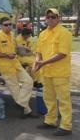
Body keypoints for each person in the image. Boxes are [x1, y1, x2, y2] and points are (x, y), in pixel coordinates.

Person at [0, 17, 37, 118]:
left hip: (15, 64)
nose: (8, 26)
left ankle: (20, 104)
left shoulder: (11, 35)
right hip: (5, 67)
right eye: (6, 25)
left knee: (29, 81)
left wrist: (23, 48)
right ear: (1, 26)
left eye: (10, 24)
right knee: (16, 90)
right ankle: (26, 111)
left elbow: (14, 48)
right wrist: (6, 56)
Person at [34, 8, 73, 136]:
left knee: (63, 100)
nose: (50, 19)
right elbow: (38, 51)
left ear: (59, 18)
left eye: (53, 17)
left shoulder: (64, 33)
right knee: (48, 98)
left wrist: (43, 63)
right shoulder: (43, 34)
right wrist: (38, 62)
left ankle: (66, 126)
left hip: (60, 73)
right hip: (47, 72)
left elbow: (62, 53)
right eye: (48, 17)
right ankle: (50, 121)